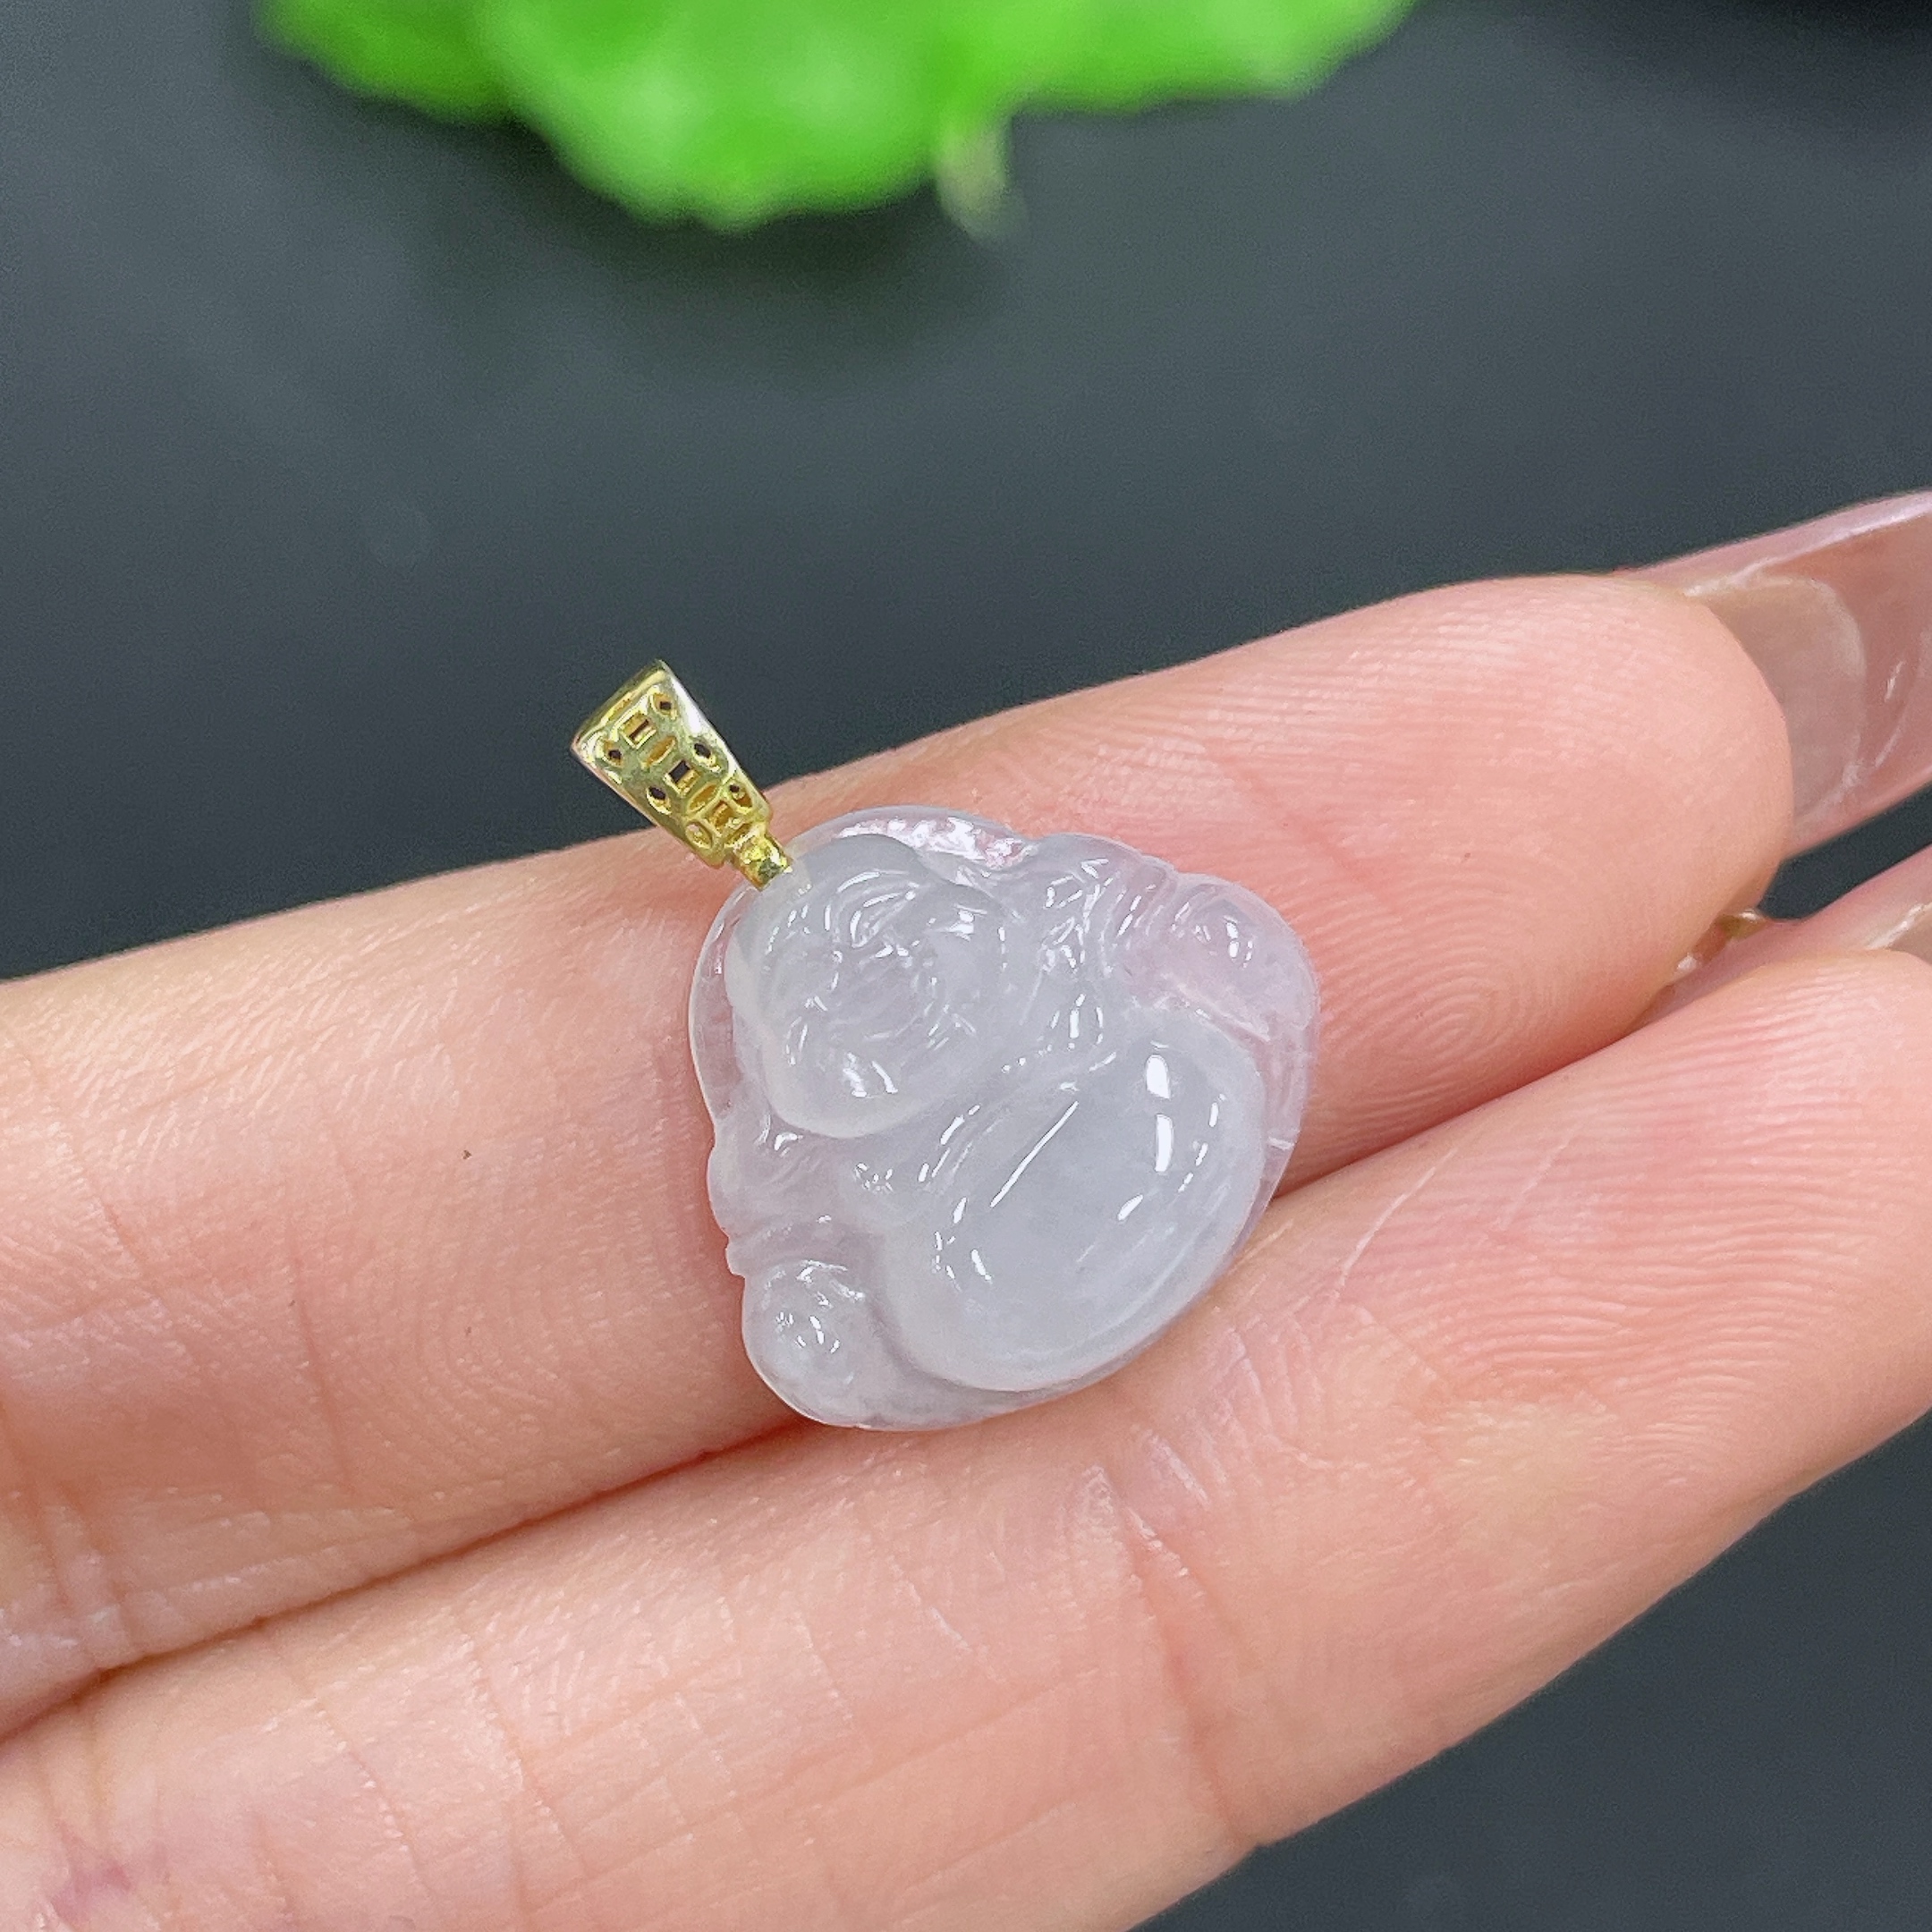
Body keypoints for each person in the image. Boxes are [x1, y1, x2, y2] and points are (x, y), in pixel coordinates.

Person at [5, 493, 1932, 1929]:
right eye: (829, 1015)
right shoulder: (797, 1130)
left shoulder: (1066, 944)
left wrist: (1139, 978)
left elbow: (1207, 960)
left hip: (1124, 1140)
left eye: (906, 961)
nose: (873, 998)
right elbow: (794, 1258)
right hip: (978, 1267)